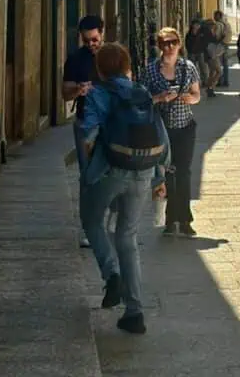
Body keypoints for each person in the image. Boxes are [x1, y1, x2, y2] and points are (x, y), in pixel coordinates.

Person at [77, 42, 169, 335]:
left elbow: (89, 134)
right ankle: (134, 312)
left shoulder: (97, 94)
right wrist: (159, 175)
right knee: (127, 236)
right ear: (127, 66)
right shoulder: (141, 92)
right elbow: (162, 138)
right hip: (142, 171)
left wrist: (87, 163)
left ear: (100, 69)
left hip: (109, 170)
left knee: (92, 222)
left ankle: (110, 273)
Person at [144, 27, 202, 237]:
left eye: (172, 42)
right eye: (164, 43)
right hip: (161, 130)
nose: (169, 47)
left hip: (185, 127)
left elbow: (197, 95)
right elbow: (142, 101)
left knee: (184, 173)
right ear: (159, 46)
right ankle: (170, 219)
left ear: (179, 44)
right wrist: (160, 97)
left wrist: (190, 98)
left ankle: (184, 220)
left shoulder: (188, 67)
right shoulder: (150, 70)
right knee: (167, 174)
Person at [62, 15, 104, 247]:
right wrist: (79, 89)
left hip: (110, 122)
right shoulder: (76, 59)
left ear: (102, 33)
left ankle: (105, 222)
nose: (91, 44)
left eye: (95, 39)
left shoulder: (113, 55)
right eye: (87, 40)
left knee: (111, 173)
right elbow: (64, 92)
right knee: (88, 176)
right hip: (85, 125)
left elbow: (128, 82)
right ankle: (89, 227)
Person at [185, 19, 209, 87]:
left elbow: (205, 42)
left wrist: (203, 49)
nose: (197, 26)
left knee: (203, 68)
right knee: (192, 68)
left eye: (198, 25)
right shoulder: (189, 34)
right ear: (192, 25)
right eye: (196, 25)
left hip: (200, 52)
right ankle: (193, 83)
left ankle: (205, 82)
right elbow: (187, 43)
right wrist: (189, 50)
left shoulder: (201, 33)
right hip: (192, 53)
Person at [202, 18, 222, 97]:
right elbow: (213, 42)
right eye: (213, 24)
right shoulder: (209, 33)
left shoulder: (207, 32)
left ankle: (210, 88)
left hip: (208, 54)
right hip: (211, 55)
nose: (214, 26)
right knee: (218, 71)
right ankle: (210, 87)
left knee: (212, 72)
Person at [213, 10, 232, 88]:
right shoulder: (227, 24)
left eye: (215, 16)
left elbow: (217, 35)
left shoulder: (218, 24)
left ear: (218, 16)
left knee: (219, 64)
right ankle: (226, 81)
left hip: (220, 45)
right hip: (226, 44)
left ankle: (220, 81)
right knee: (225, 64)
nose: (214, 17)